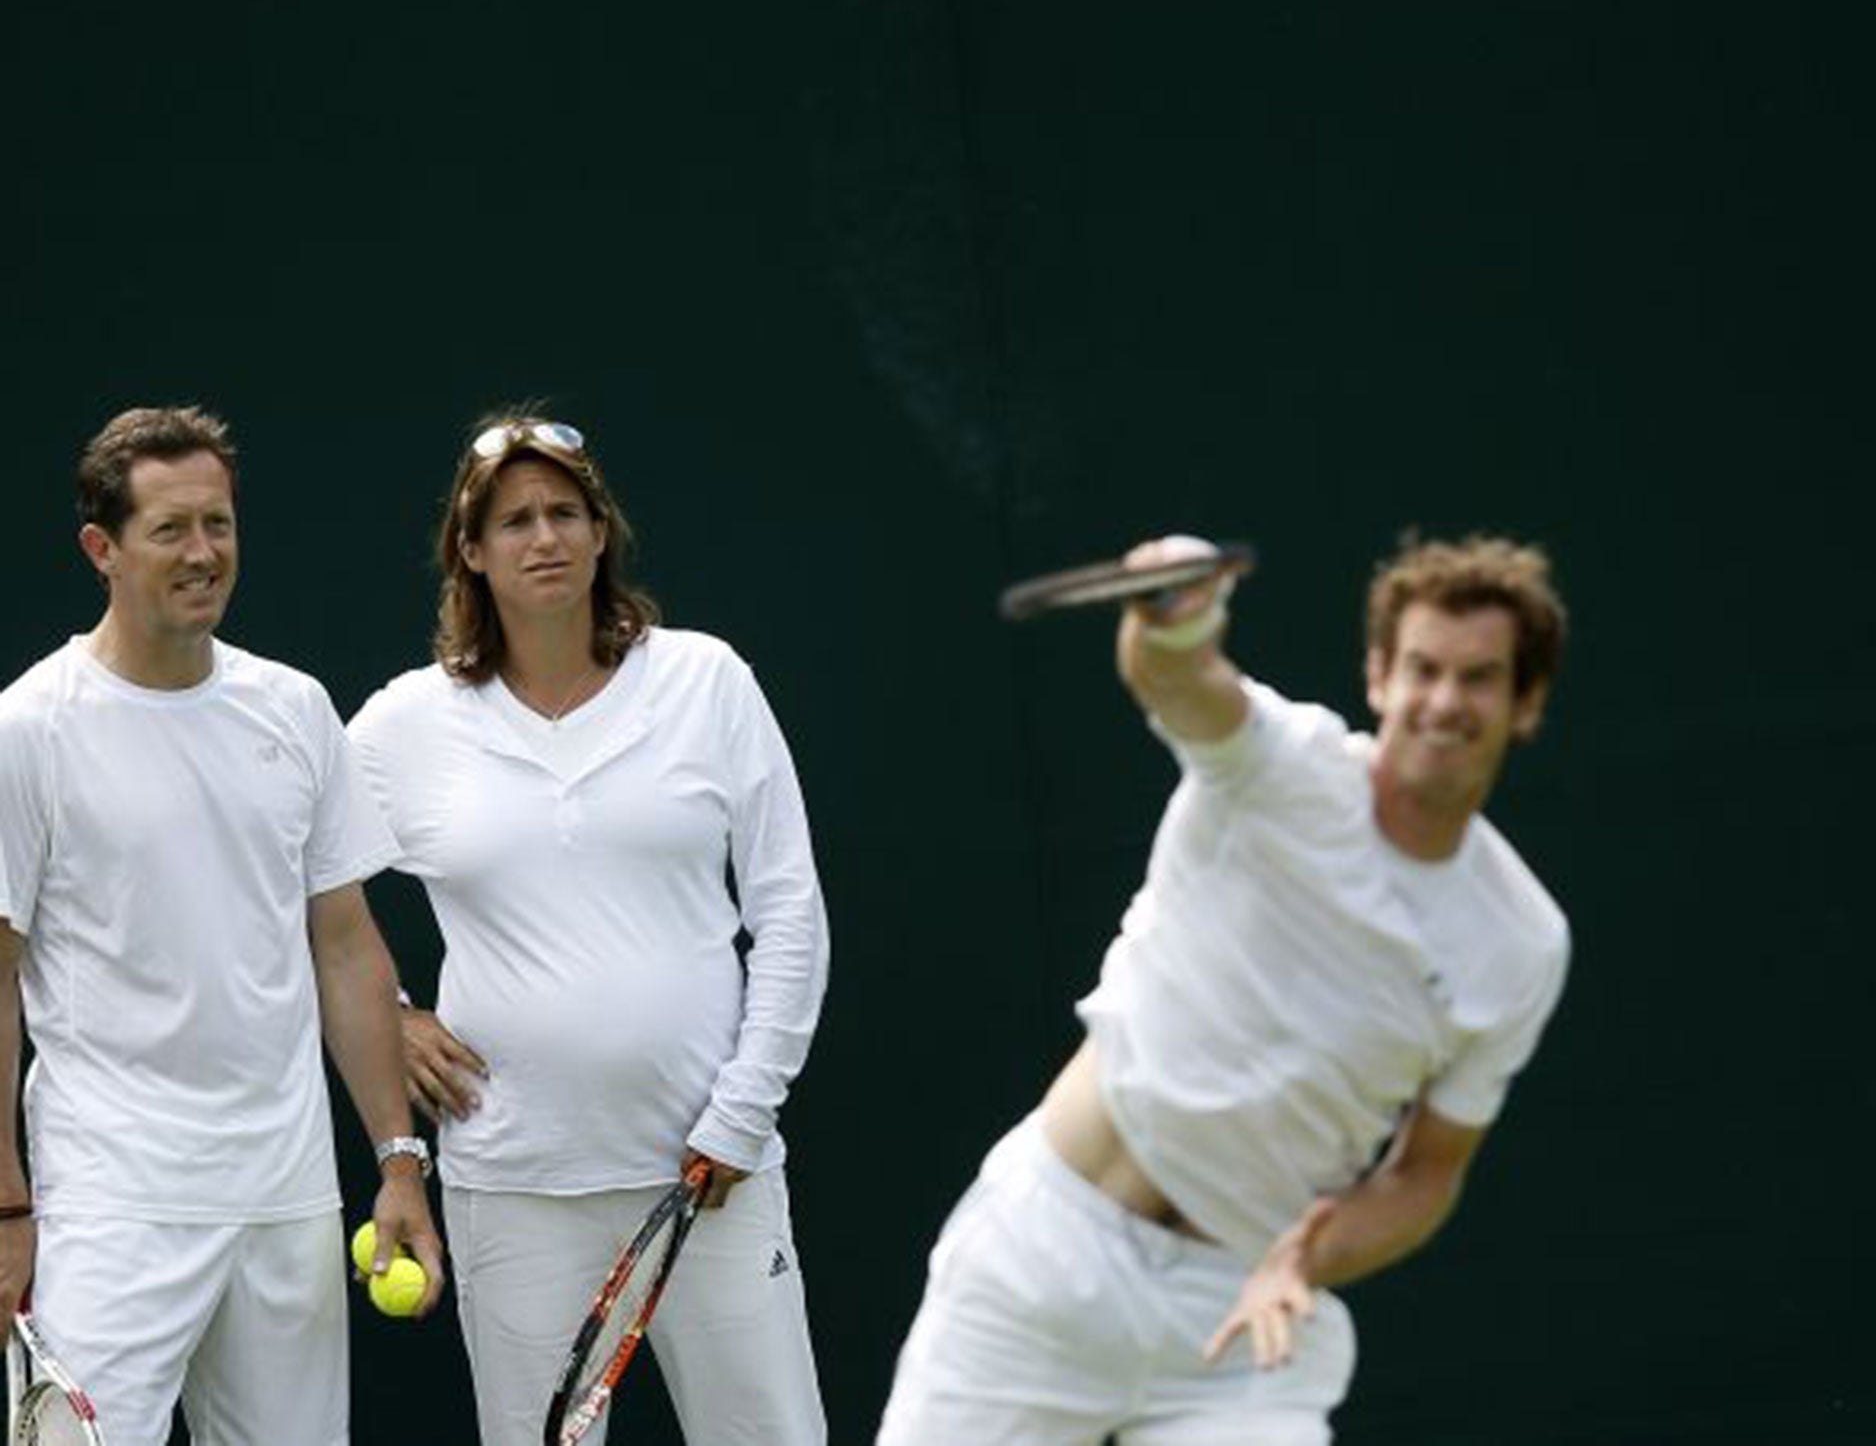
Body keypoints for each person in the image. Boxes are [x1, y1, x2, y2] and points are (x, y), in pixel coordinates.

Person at [878, 532, 1571, 1445]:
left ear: (1525, 705)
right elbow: (1180, 683)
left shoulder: (1521, 941)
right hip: (1046, 1260)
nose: (1443, 701)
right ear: (1377, 675)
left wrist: (1309, 1257)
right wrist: (1173, 622)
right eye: (1422, 668)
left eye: (1478, 678)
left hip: (1242, 1320)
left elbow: (1427, 1173)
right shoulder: (1283, 764)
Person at [347, 414, 830, 1446]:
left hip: (712, 1176)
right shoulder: (402, 724)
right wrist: (387, 1016)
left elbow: (789, 908)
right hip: (511, 1183)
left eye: (565, 512)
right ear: (470, 553)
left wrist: (742, 1112)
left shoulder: (706, 681)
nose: (545, 537)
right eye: (514, 520)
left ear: (601, 533)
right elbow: (293, 896)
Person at [0, 406, 443, 1446]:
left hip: (285, 1204)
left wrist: (396, 1160)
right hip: (108, 1208)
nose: (204, 554)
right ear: (101, 550)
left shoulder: (294, 712)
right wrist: (6, 1208)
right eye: (170, 531)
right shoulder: (27, 731)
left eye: (220, 526)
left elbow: (344, 945)